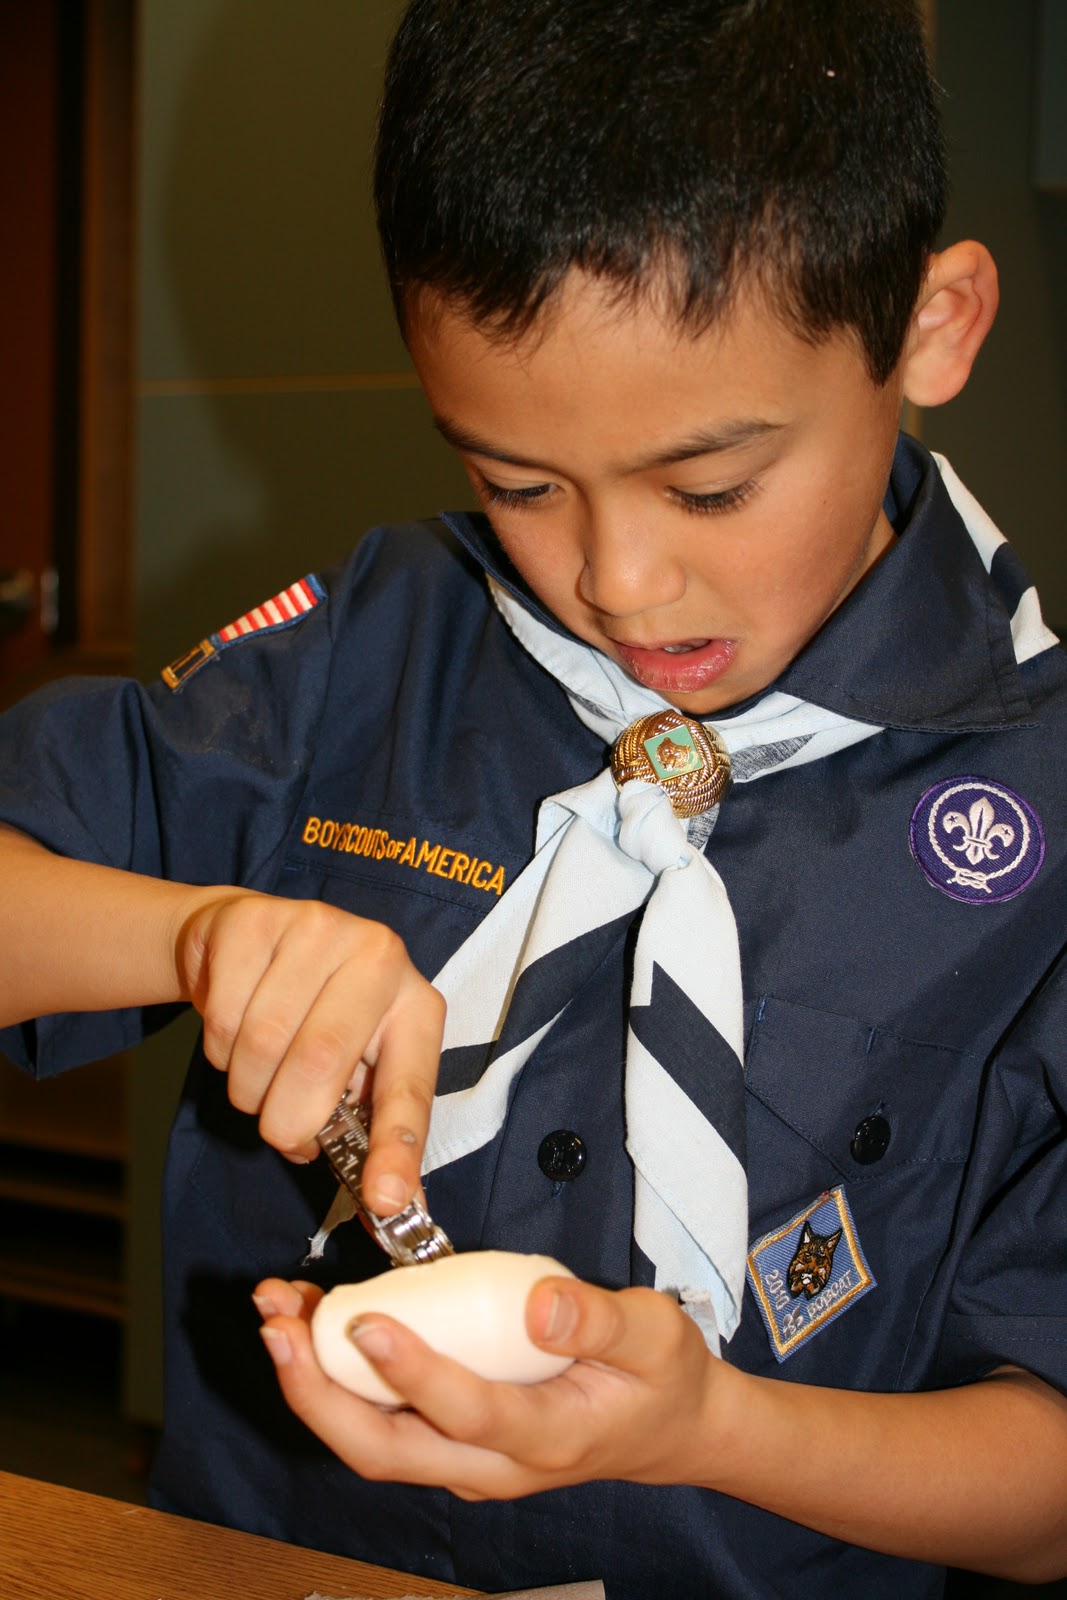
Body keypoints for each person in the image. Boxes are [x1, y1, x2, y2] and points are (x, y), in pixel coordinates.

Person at [2, 1, 1066, 1594]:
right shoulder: (376, 645)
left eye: (710, 486)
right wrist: (199, 936)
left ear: (935, 324)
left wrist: (704, 1427)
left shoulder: (1041, 807)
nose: (617, 582)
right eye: (516, 484)